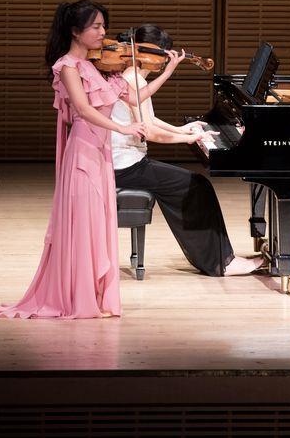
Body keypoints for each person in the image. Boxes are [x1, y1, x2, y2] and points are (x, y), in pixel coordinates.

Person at [0, 1, 185, 319]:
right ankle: (76, 298)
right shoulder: (68, 66)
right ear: (75, 31)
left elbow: (134, 96)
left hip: (101, 155)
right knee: (83, 226)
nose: (103, 32)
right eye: (96, 27)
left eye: (104, 26)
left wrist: (169, 70)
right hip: (83, 154)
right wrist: (124, 126)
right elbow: (84, 110)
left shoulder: (95, 66)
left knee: (97, 229)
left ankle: (90, 294)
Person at [110, 24, 263, 277]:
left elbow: (150, 120)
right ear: (150, 52)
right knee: (196, 186)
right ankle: (221, 262)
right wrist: (188, 139)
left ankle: (222, 258)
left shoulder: (132, 75)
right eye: (164, 56)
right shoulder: (134, 79)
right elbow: (150, 132)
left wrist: (185, 130)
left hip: (127, 163)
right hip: (125, 167)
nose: (163, 61)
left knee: (197, 185)